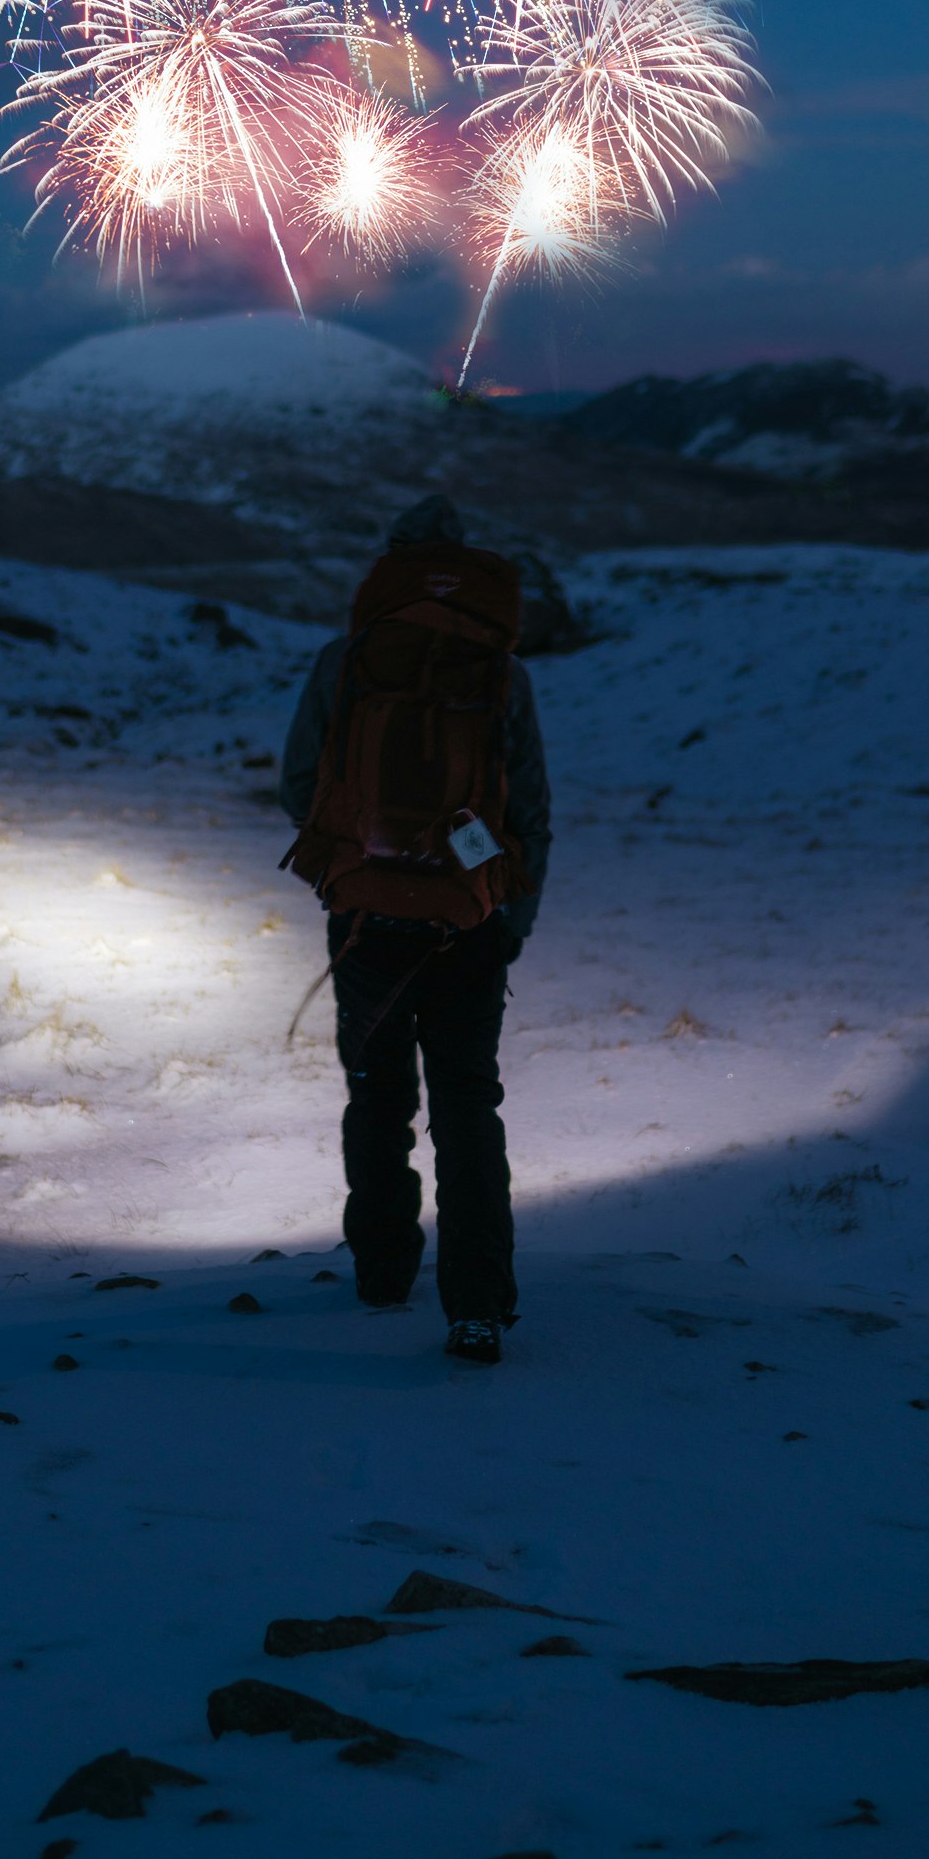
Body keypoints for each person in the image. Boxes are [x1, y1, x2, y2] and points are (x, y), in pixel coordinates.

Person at [278, 494, 552, 1366]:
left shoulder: (347, 661)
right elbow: (529, 811)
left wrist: (352, 870)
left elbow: (297, 782)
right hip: (467, 923)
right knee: (468, 1107)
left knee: (377, 1091)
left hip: (366, 921)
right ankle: (476, 1307)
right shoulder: (503, 673)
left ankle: (383, 1272)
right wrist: (508, 916)